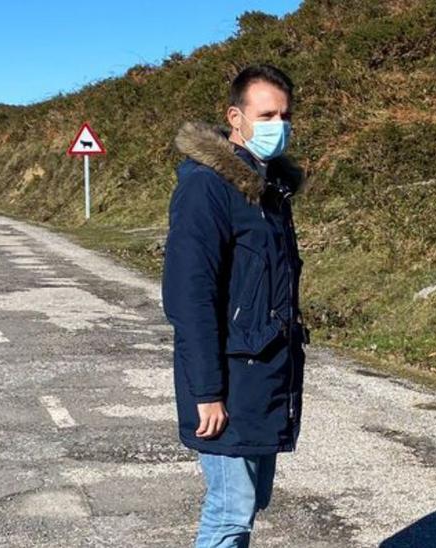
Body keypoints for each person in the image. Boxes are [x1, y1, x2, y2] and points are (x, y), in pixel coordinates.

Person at [163, 64, 307, 548]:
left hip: (263, 377)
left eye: (285, 115)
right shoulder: (207, 187)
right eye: (267, 114)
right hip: (226, 380)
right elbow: (189, 295)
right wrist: (207, 390)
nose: (278, 125)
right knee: (230, 512)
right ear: (235, 117)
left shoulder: (269, 191)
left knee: (249, 504)